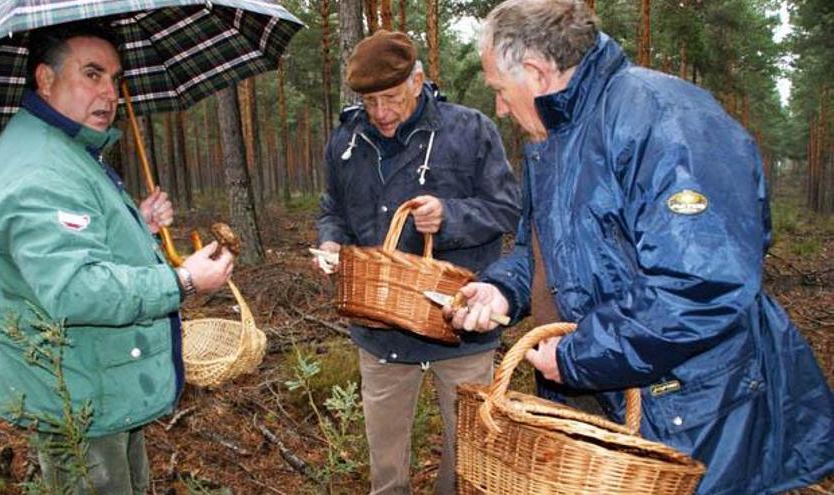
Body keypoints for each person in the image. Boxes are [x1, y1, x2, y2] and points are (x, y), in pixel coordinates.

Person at [446, 1, 834, 494]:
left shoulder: (663, 119)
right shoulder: (555, 138)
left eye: (500, 91)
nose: (500, 107)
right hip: (603, 395)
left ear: (536, 72)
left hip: (692, 409)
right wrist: (501, 290)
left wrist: (577, 357)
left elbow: (701, 285)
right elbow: (540, 250)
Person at [0, 22, 233, 493]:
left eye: (115, 79)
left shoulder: (63, 150)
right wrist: (183, 281)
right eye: (92, 75)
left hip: (99, 383)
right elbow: (77, 289)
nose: (109, 93)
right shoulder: (40, 169)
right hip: (77, 394)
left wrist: (137, 222)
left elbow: (74, 245)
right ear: (45, 80)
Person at [314, 30, 520, 494]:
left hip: (461, 326)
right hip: (380, 329)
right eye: (370, 102)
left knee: (468, 461)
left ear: (418, 80)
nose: (381, 114)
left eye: (391, 98)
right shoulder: (346, 141)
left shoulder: (469, 130)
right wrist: (330, 243)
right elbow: (333, 209)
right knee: (386, 473)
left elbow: (507, 208)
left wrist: (450, 215)